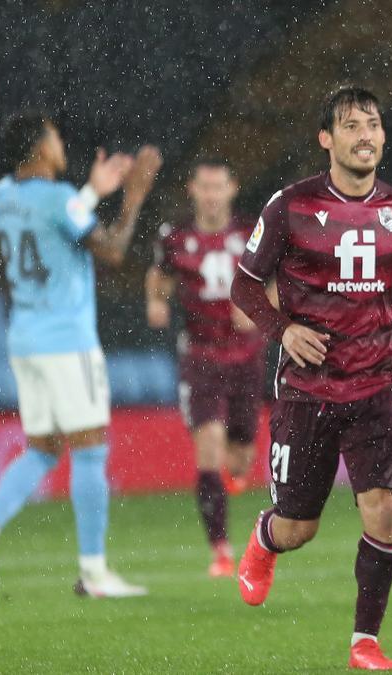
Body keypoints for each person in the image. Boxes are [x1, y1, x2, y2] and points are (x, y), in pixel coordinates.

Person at [229, 87, 392, 671]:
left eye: (373, 125)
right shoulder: (290, 205)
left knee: (384, 511)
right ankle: (265, 537)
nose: (366, 135)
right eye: (351, 126)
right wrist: (283, 329)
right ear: (327, 139)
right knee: (299, 528)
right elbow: (244, 284)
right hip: (306, 391)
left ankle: (365, 641)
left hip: (375, 388)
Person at [0, 113, 162, 601]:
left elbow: (56, 221)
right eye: (54, 136)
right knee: (91, 449)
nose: (61, 142)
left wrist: (92, 191)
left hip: (26, 340)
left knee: (43, 448)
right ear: (40, 148)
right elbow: (111, 250)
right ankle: (93, 573)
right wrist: (132, 196)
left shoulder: (4, 196)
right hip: (66, 340)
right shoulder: (55, 200)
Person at [146, 158, 266, 577]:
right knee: (209, 448)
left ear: (231, 189)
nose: (212, 196)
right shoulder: (175, 237)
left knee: (241, 455)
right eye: (205, 188)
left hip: (247, 356)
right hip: (201, 357)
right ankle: (220, 549)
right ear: (193, 190)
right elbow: (158, 276)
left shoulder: (253, 233)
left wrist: (259, 311)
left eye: (219, 187)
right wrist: (156, 302)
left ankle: (231, 479)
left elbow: (273, 281)